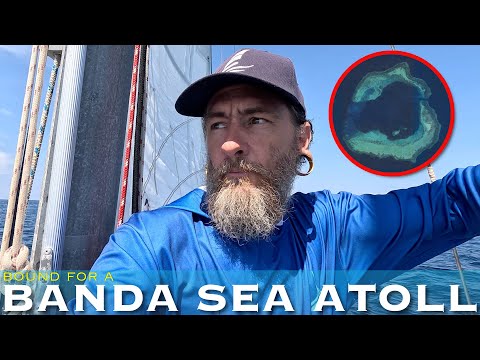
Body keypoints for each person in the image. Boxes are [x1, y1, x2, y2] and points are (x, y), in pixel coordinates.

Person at [66, 48, 480, 315]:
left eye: (256, 120)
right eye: (216, 124)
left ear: (302, 138)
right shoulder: (151, 244)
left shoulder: (334, 227)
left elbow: (457, 201)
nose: (230, 143)